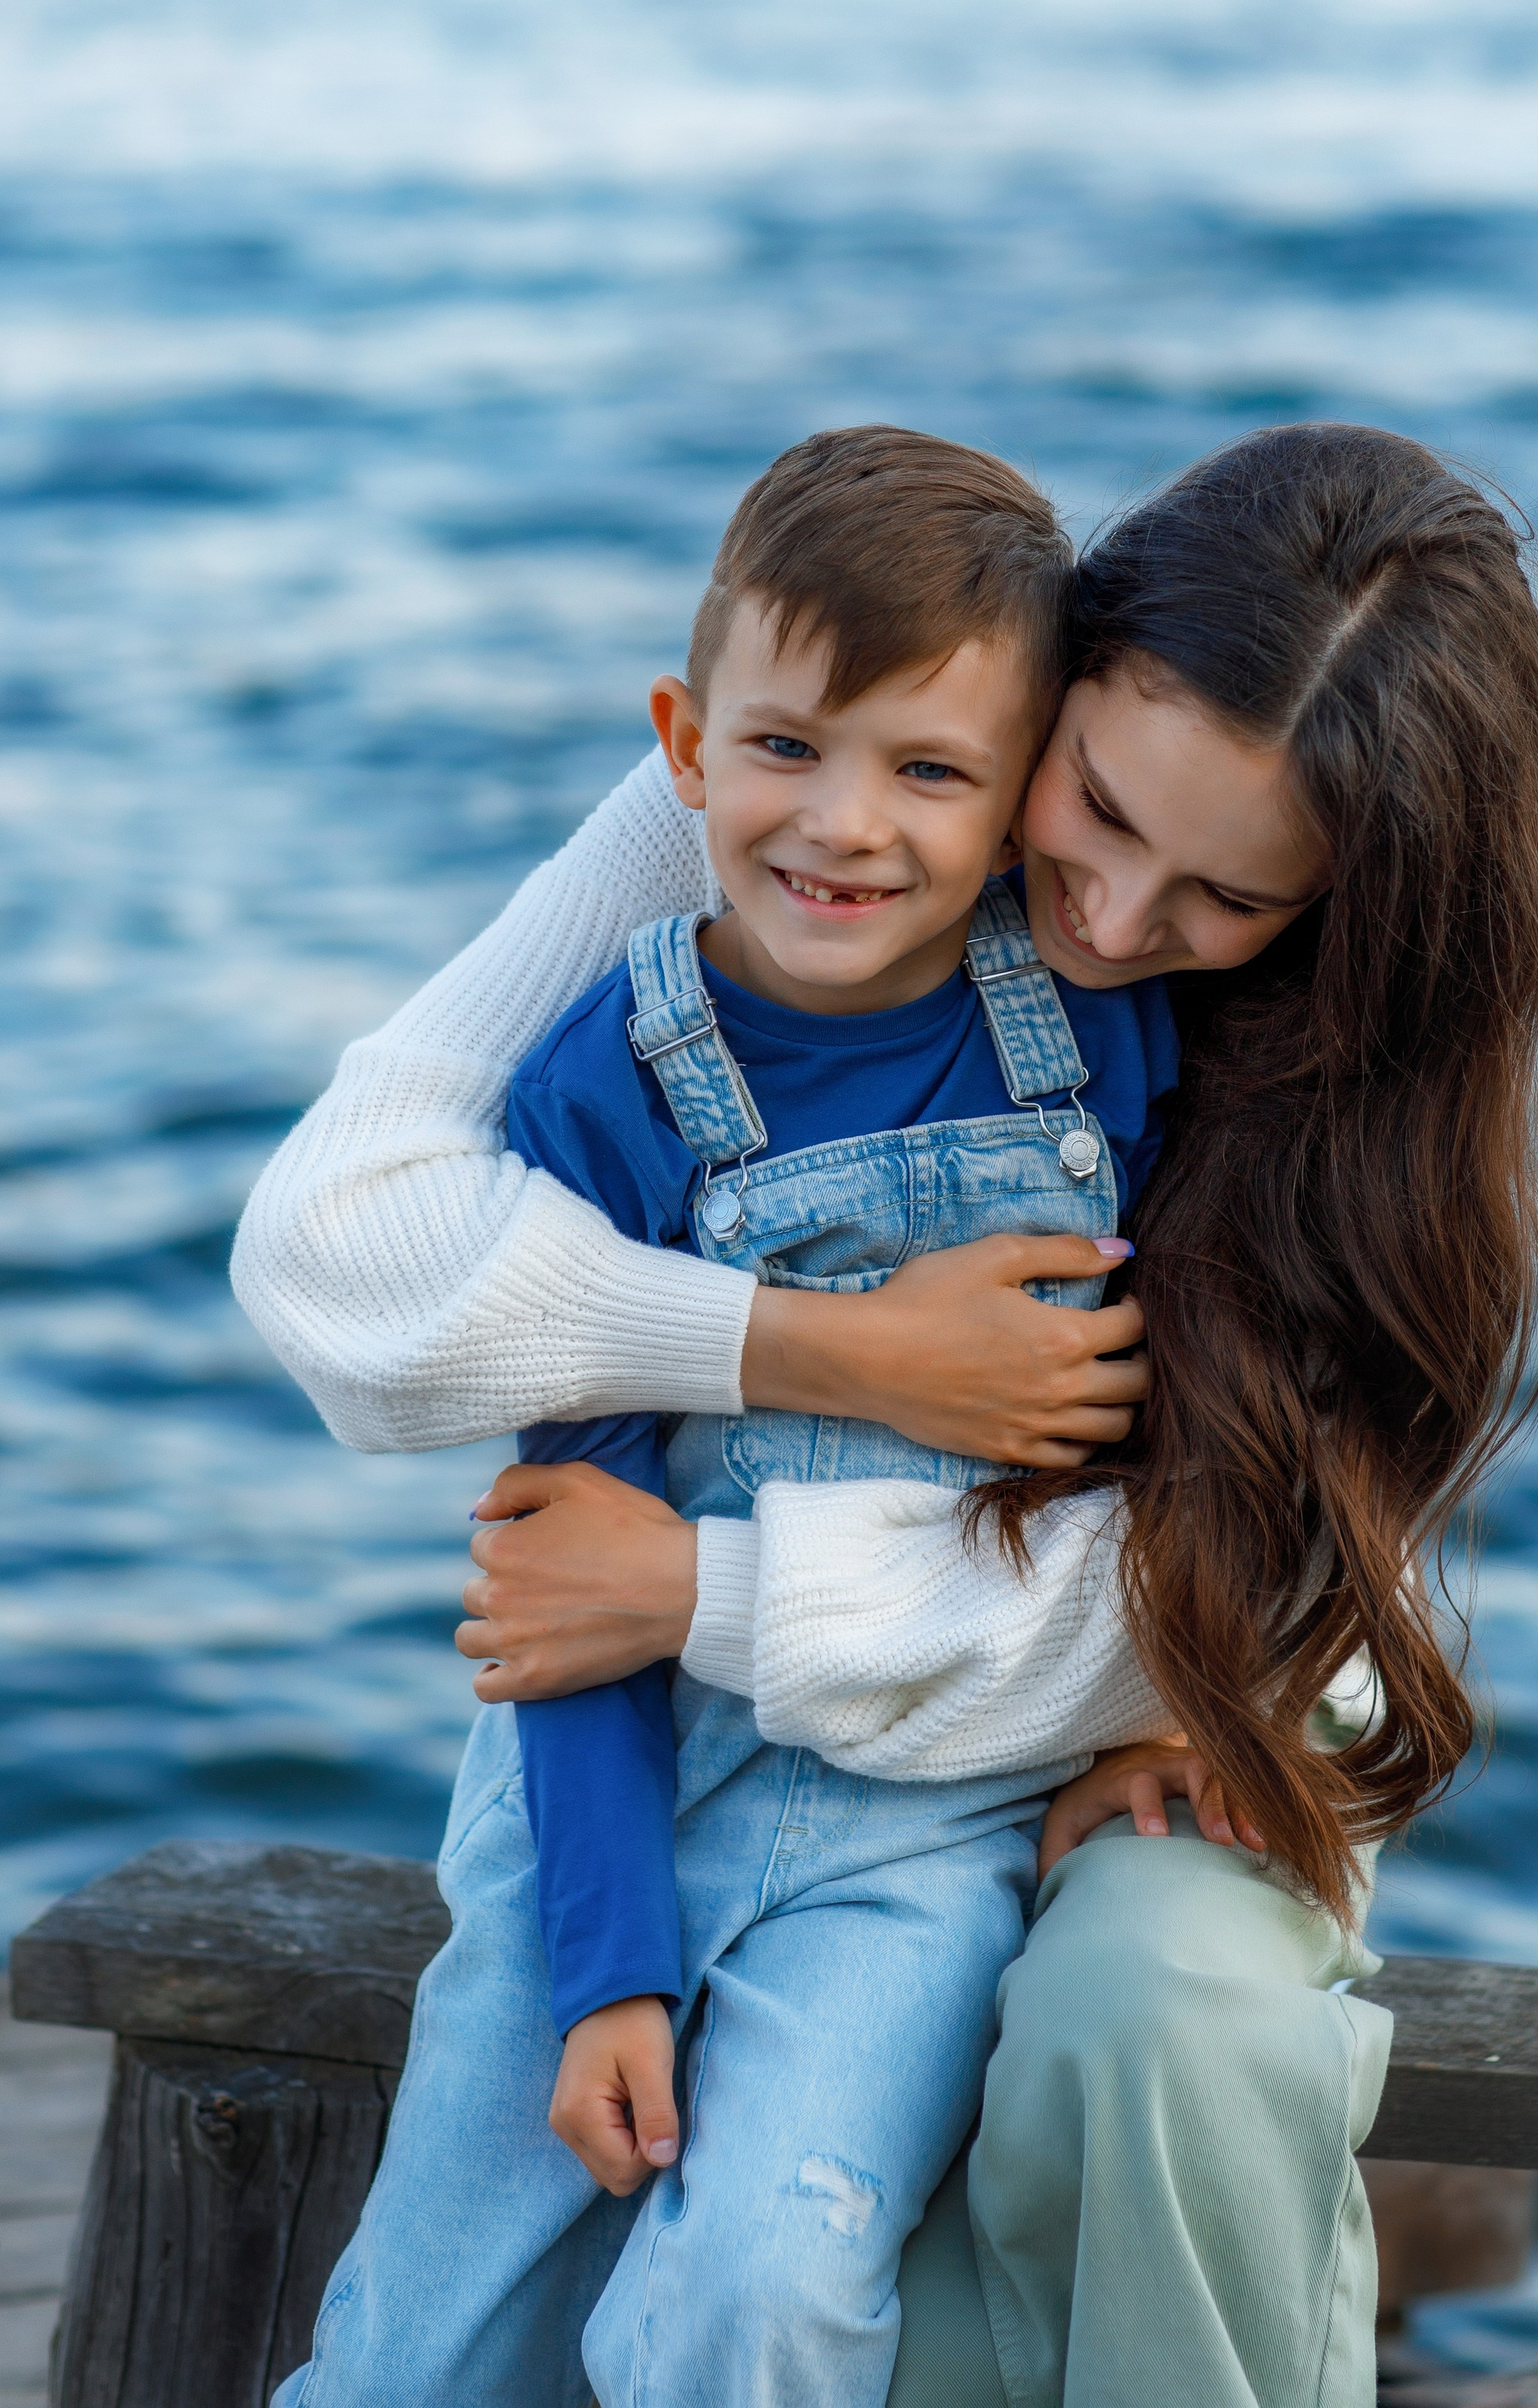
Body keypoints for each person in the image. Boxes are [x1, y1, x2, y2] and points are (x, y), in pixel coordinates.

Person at [236, 421, 1538, 2407]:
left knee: (1122, 2032)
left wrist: (706, 1588)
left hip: (1126, 1725)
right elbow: (336, 1263)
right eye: (1099, 810)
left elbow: (1235, 1583)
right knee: (467, 2315)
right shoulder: (807, 786)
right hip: (733, 1733)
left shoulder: (1307, 1085)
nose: (1117, 921)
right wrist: (816, 1348)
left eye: (1224, 896)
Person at [269, 428, 1186, 2408]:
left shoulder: (1106, 1041)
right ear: (683, 743)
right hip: (607, 1800)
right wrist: (604, 1959)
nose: (845, 826)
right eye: (788, 749)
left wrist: (1211, 1689)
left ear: (1024, 794)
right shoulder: (610, 1076)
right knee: (419, 2350)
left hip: (919, 1830)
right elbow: (566, 1564)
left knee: (750, 2300)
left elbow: (1216, 1425)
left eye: (930, 770)